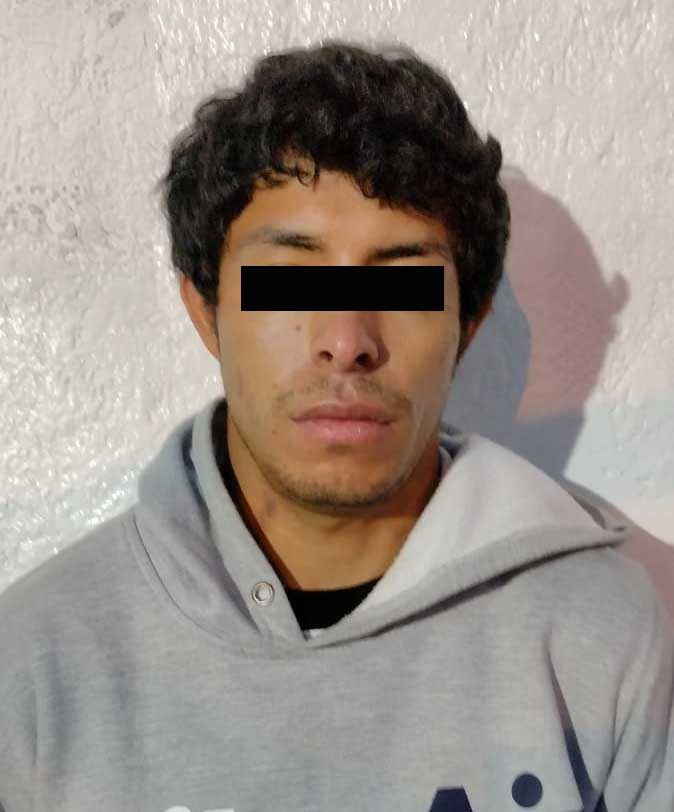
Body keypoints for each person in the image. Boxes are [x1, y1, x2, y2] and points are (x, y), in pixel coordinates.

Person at [1, 39, 672, 812]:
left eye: (405, 280)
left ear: (468, 321)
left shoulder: (601, 638)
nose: (347, 339)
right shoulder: (35, 667)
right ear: (206, 312)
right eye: (289, 278)